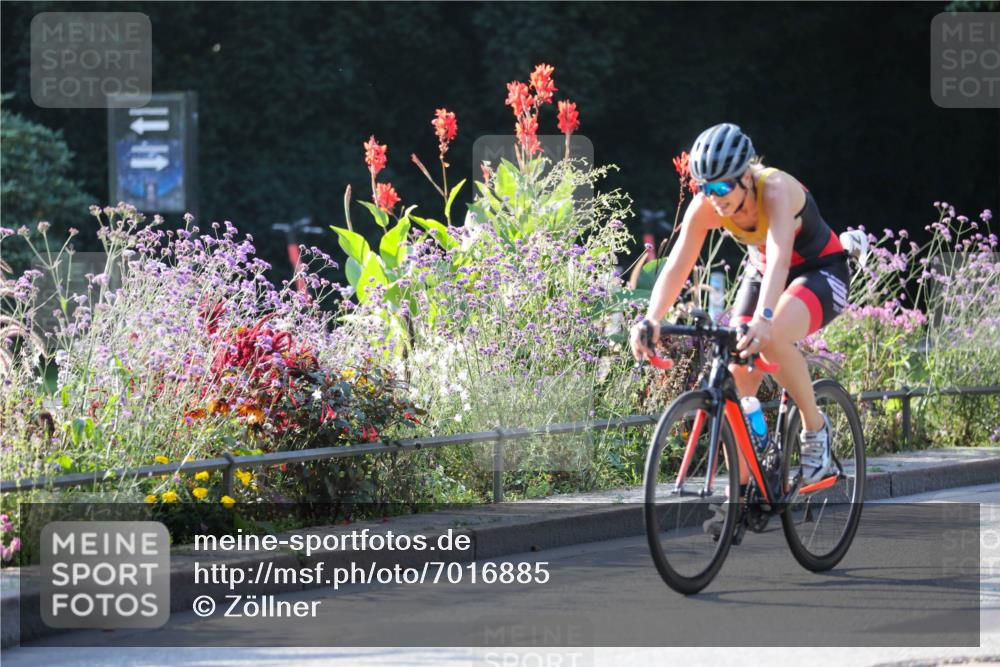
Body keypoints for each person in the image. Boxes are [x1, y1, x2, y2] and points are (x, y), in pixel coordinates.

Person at [629, 123, 850, 526]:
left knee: (771, 337)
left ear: (746, 176)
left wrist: (764, 320)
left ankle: (815, 432)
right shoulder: (707, 206)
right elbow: (678, 264)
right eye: (704, 188)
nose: (714, 198)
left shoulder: (775, 190)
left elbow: (780, 257)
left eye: (721, 187)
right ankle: (742, 494)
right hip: (763, 271)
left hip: (819, 271)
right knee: (737, 373)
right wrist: (651, 318)